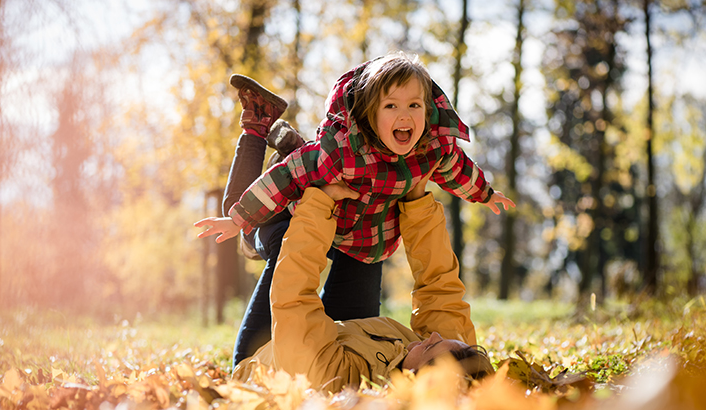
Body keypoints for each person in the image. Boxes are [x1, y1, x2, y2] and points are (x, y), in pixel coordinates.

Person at [195, 51, 515, 366]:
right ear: (370, 113)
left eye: (414, 106)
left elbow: (457, 167)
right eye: (392, 106)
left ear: (428, 110)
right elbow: (284, 179)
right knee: (259, 230)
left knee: (346, 319)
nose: (405, 116)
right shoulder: (342, 152)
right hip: (306, 207)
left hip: (361, 238)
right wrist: (237, 219)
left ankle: (291, 148)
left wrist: (484, 193)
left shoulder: (432, 148)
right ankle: (258, 125)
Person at [232, 175, 495, 392]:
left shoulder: (332, 381)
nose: (434, 336)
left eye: (430, 345)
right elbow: (440, 285)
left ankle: (251, 230)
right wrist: (417, 203)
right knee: (369, 245)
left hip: (267, 352)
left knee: (282, 240)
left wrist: (320, 201)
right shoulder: (462, 359)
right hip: (345, 341)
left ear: (415, 378)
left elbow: (293, 293)